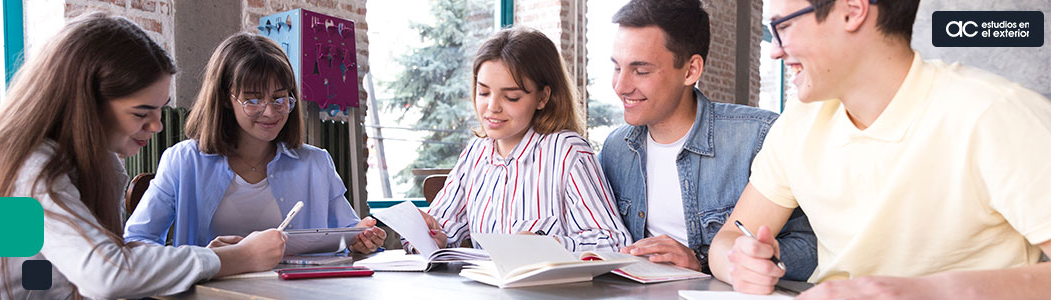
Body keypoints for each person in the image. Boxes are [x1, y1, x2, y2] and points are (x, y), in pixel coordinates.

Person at [710, 0, 1051, 298]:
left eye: (783, 25)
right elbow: (728, 239)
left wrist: (932, 292)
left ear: (852, 10)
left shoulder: (994, 113)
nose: (774, 49)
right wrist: (740, 262)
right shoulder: (797, 124)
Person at [0, 13, 286, 299]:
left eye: (160, 110)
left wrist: (203, 257)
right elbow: (105, 275)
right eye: (141, 112)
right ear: (86, 105)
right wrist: (235, 258)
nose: (157, 125)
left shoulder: (91, 163)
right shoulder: (34, 168)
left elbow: (70, 269)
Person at [599, 0, 816, 279]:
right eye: (617, 67)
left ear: (691, 71)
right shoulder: (616, 149)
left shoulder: (759, 137)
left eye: (641, 71)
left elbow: (810, 249)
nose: (621, 86)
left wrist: (702, 259)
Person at [123, 32, 386, 254]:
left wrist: (362, 242)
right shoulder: (183, 161)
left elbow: (350, 234)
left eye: (280, 98)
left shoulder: (316, 163)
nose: (270, 112)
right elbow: (137, 242)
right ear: (226, 98)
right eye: (253, 99)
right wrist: (203, 258)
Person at [412, 27, 631, 252]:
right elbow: (441, 227)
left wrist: (549, 245)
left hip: (549, 287)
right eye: (484, 93)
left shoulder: (567, 152)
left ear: (543, 97)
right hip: (485, 286)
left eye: (511, 97)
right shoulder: (475, 153)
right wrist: (431, 236)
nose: (492, 107)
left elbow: (614, 241)